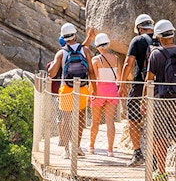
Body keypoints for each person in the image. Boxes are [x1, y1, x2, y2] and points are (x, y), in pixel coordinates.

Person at [144, 19, 176, 179]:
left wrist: (144, 101)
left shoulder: (156, 54)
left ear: (159, 36)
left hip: (160, 101)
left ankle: (161, 172)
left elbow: (149, 81)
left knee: (160, 137)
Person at [47, 22, 96, 154]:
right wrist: (95, 89)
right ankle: (77, 147)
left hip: (66, 89)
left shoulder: (61, 53)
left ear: (63, 37)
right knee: (80, 117)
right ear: (75, 35)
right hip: (82, 88)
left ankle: (67, 150)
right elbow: (91, 71)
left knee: (66, 118)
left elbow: (51, 73)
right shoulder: (85, 50)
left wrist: (52, 65)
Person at [120, 14, 155, 166]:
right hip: (158, 86)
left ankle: (138, 153)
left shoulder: (138, 40)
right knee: (155, 120)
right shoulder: (160, 38)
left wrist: (122, 84)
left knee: (132, 118)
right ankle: (156, 157)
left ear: (139, 28)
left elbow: (128, 63)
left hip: (140, 84)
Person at [89, 33, 121, 156]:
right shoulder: (116, 59)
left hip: (99, 91)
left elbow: (94, 78)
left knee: (95, 122)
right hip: (112, 90)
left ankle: (91, 147)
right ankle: (110, 150)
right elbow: (119, 78)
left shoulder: (96, 60)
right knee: (110, 122)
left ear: (98, 46)